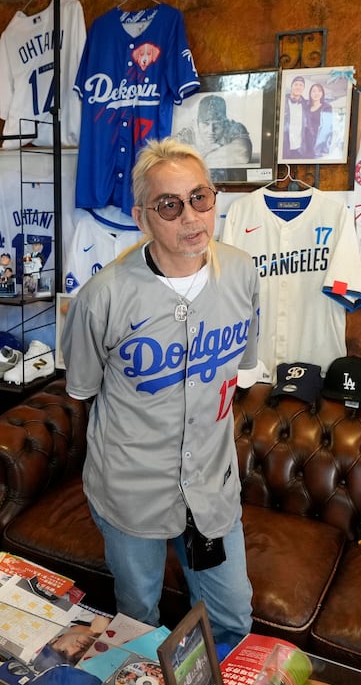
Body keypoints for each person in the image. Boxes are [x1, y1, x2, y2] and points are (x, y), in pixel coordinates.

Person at [60, 139, 259, 647]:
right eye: (169, 205)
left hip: (211, 488)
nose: (190, 217)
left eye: (201, 197)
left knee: (233, 620)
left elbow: (240, 368)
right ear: (143, 216)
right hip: (132, 489)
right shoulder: (102, 296)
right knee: (138, 620)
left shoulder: (241, 274)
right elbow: (82, 389)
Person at [191, 95, 253, 168]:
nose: (211, 131)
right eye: (205, 124)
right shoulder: (189, 132)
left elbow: (243, 153)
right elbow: (175, 157)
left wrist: (197, 156)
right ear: (197, 123)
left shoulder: (233, 127)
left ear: (225, 123)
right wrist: (209, 149)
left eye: (217, 124)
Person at [299, 82, 331, 159]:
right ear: (310, 93)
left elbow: (328, 128)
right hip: (305, 145)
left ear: (322, 93)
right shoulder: (305, 107)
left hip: (319, 145)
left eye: (319, 91)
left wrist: (324, 148)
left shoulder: (326, 108)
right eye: (314, 91)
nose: (316, 93)